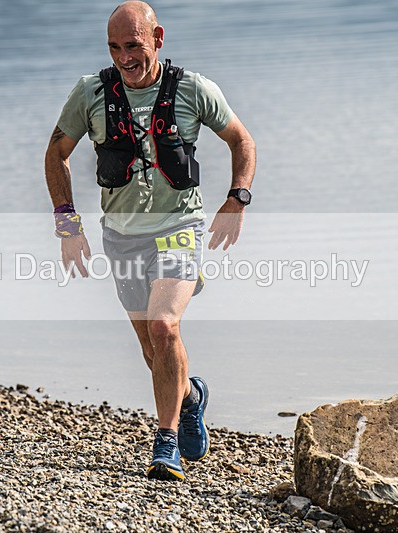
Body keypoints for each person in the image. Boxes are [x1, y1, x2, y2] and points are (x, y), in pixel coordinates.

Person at [44, 1, 256, 482]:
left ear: (158, 39)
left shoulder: (194, 89)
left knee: (163, 326)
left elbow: (242, 141)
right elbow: (55, 154)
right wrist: (68, 226)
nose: (124, 57)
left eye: (133, 45)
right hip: (121, 236)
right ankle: (191, 398)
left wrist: (236, 200)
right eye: (114, 47)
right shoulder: (90, 93)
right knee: (151, 348)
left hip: (180, 227)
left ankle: (165, 443)